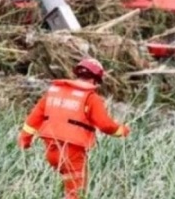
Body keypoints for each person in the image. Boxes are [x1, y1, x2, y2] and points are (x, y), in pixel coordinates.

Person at [18, 58, 129, 199]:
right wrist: (122, 131)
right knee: (76, 193)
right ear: (96, 80)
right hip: (72, 153)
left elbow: (32, 120)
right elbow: (105, 125)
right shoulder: (91, 98)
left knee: (63, 189)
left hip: (51, 151)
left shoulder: (54, 92)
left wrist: (25, 140)